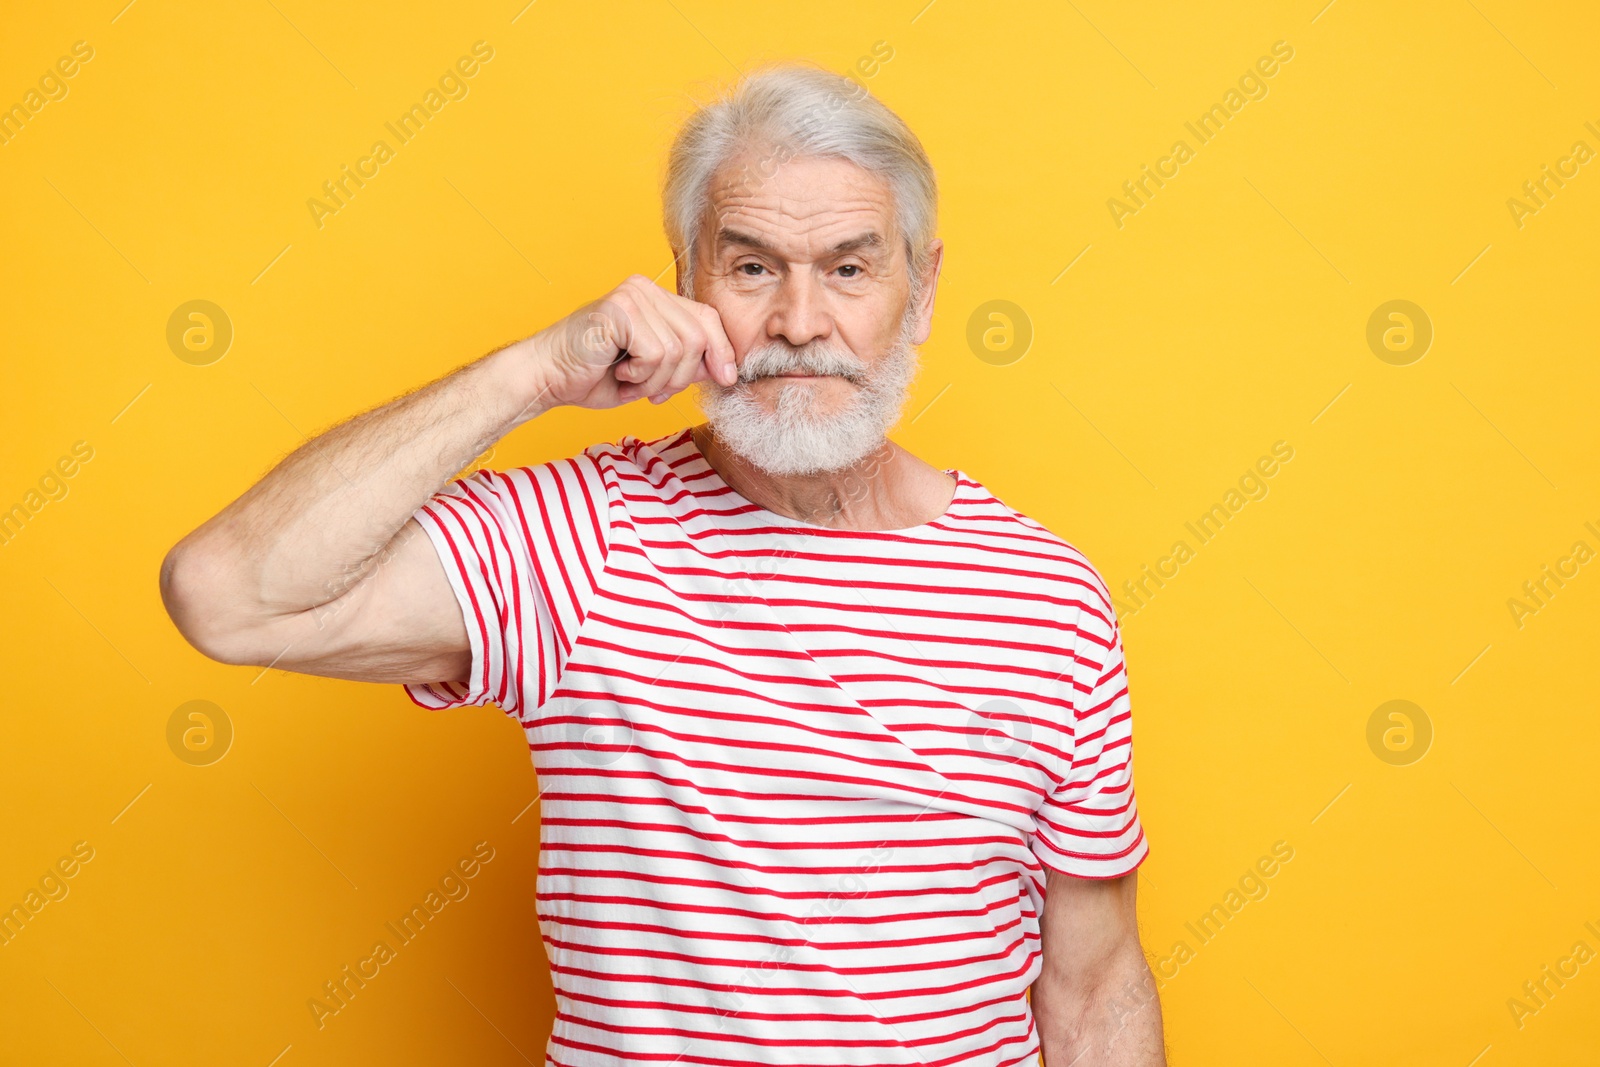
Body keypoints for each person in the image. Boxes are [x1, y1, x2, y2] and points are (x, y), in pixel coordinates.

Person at [161, 62, 1165, 1066]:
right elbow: (227, 596)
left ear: (923, 290)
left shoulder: (1046, 596)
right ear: (685, 278)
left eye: (850, 269)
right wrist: (534, 372)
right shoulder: (580, 540)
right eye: (753, 267)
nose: (801, 323)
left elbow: (1094, 984)